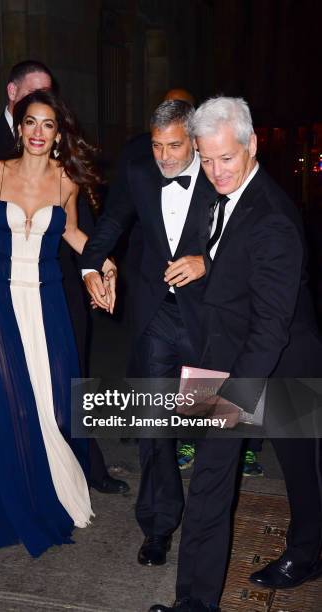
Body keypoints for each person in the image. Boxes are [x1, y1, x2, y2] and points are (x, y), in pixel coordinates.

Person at [149, 96, 322, 611]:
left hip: (281, 360)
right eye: (206, 158)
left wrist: (230, 405)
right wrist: (207, 264)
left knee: (303, 470)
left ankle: (309, 551)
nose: (215, 170)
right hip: (223, 353)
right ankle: (195, 604)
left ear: (251, 147)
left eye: (226, 158)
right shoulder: (219, 196)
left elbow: (270, 328)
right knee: (208, 481)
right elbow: (231, 260)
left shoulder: (273, 219)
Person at [0, 59, 127, 495]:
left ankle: (51, 481)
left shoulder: (66, 179)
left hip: (46, 299)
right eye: (30, 121)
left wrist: (104, 261)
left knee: (50, 398)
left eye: (47, 124)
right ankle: (10, 483)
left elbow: (70, 231)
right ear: (19, 121)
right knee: (3, 392)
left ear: (58, 133)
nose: (36, 131)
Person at [82, 99, 216, 572]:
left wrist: (208, 264)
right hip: (156, 317)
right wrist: (89, 264)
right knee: (153, 426)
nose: (164, 157)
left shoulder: (222, 170)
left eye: (174, 146)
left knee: (211, 426)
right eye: (158, 145)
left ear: (195, 139)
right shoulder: (140, 171)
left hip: (209, 319)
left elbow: (247, 241)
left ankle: (207, 526)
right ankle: (157, 525)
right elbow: (113, 220)